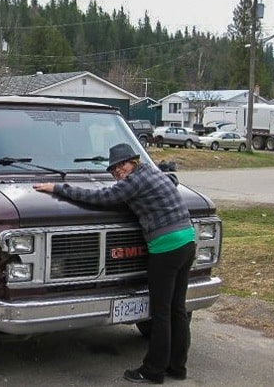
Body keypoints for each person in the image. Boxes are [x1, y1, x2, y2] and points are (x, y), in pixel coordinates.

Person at [33, 143, 196, 384]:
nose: (118, 170)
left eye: (122, 164)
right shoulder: (153, 173)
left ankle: (153, 370)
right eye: (113, 168)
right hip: (187, 241)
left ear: (134, 161)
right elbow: (171, 180)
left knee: (161, 313)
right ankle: (177, 367)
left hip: (165, 247)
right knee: (177, 309)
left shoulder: (134, 182)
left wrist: (57, 188)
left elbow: (101, 197)